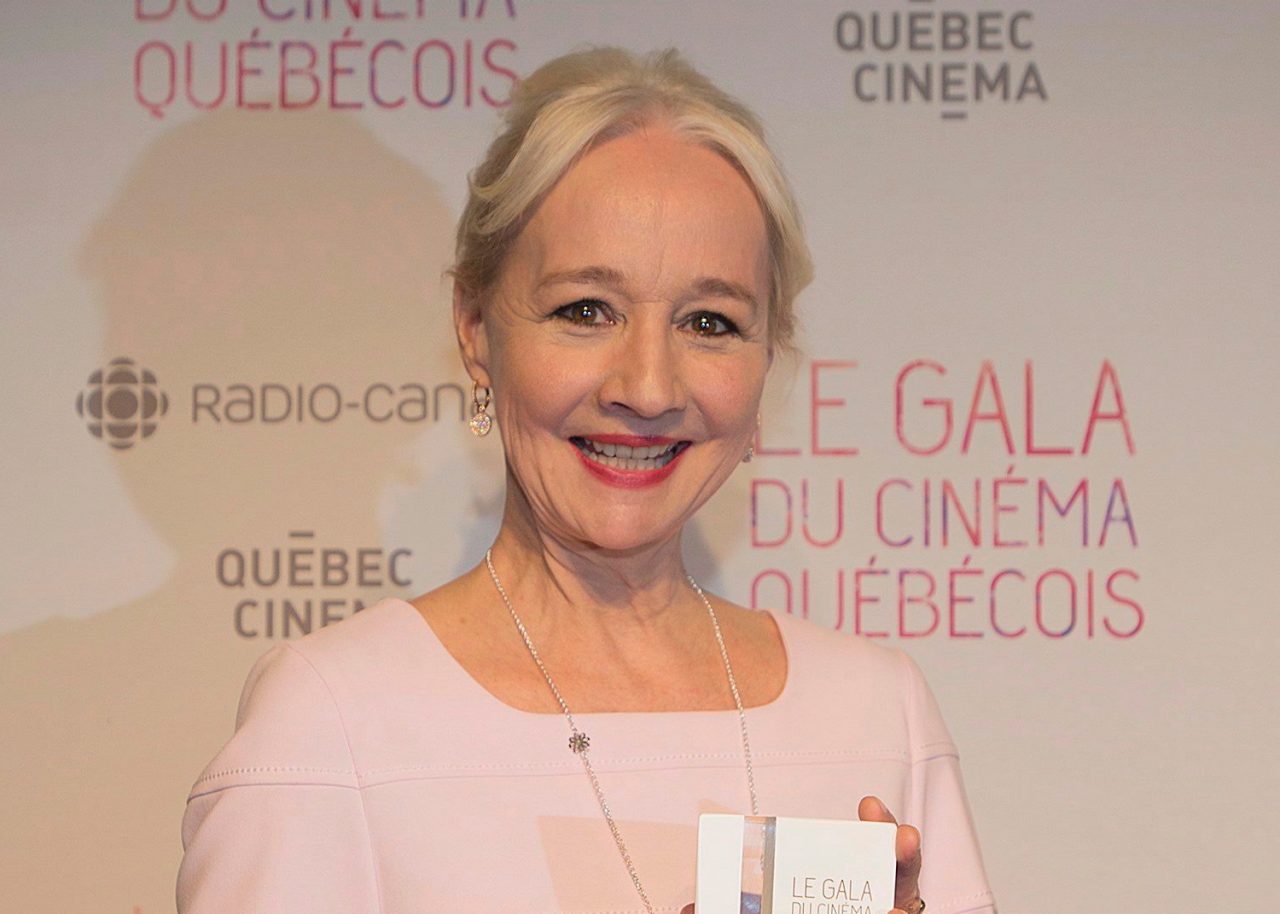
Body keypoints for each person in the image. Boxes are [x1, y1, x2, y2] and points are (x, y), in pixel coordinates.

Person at [176, 47, 995, 914]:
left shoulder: (876, 711)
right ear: (476, 328)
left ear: (767, 363)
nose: (646, 386)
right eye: (584, 311)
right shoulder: (334, 723)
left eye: (709, 322)